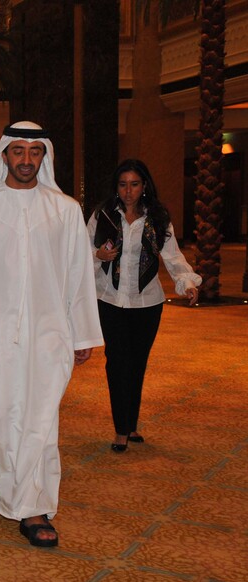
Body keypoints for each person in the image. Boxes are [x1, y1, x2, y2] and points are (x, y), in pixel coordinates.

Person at [0, 122, 103, 548]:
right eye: (19, 151)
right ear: (4, 155)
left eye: (35, 151)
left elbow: (78, 276)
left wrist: (83, 332)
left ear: (45, 156)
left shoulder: (65, 210)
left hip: (47, 336)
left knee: (37, 421)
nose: (27, 160)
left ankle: (32, 507)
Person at [88, 159, 201, 453]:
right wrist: (97, 255)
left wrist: (186, 282)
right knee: (117, 362)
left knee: (137, 363)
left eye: (134, 184)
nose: (128, 191)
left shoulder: (158, 219)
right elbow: (80, 251)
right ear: (116, 187)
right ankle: (120, 430)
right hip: (110, 300)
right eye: (123, 184)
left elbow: (173, 256)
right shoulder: (103, 216)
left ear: (144, 186)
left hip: (147, 304)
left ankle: (131, 423)